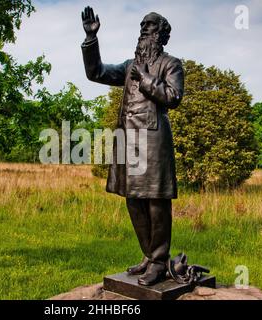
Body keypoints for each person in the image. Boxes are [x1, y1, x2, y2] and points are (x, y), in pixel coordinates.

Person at [81, 6, 185, 286]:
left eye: (148, 29)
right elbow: (97, 72)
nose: (142, 34)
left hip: (153, 139)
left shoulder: (170, 64)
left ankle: (160, 261)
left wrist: (146, 78)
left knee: (155, 201)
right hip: (129, 140)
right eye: (141, 29)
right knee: (133, 199)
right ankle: (149, 255)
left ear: (160, 36)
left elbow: (173, 97)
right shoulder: (129, 66)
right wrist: (91, 39)